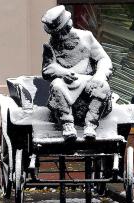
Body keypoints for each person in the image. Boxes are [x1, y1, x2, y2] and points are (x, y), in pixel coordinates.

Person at [41, 5, 113, 141]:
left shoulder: (86, 37)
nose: (60, 36)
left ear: (68, 26)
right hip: (67, 84)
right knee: (56, 85)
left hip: (88, 82)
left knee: (103, 86)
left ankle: (90, 125)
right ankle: (67, 124)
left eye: (62, 32)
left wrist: (99, 76)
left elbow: (103, 59)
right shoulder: (50, 46)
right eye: (56, 34)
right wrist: (63, 73)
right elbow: (47, 68)